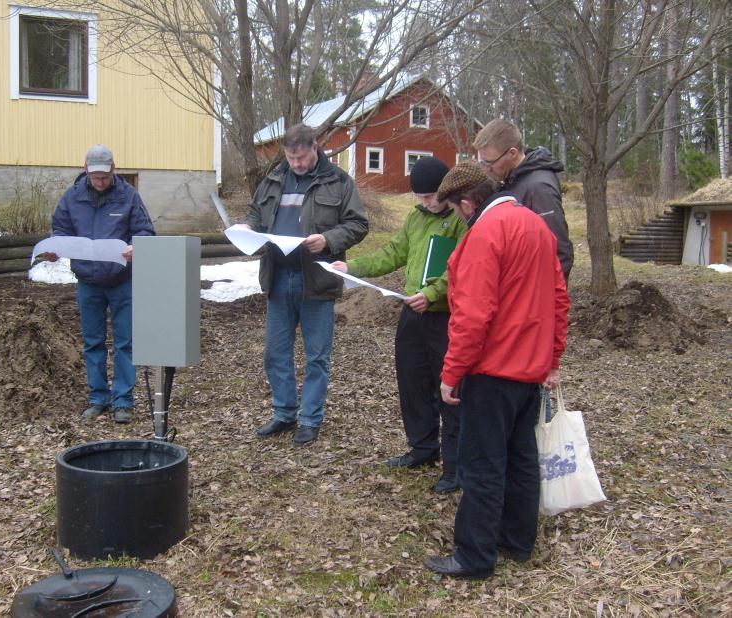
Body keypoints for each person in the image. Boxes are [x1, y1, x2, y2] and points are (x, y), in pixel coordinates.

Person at [424, 161, 570, 579]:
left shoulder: (484, 234)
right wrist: (552, 359)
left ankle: (474, 555)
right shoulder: (535, 226)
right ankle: (517, 541)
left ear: (467, 203)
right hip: (530, 370)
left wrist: (452, 373)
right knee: (521, 458)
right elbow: (559, 299)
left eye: (454, 208)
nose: (456, 216)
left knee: (481, 464)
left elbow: (472, 315)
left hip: (492, 371)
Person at [330, 157, 466, 493]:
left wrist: (433, 292)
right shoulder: (417, 219)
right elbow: (393, 253)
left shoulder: (463, 221)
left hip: (444, 315)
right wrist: (352, 268)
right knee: (412, 381)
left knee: (447, 389)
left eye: (431, 196)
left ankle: (455, 465)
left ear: (446, 190)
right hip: (412, 313)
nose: (425, 203)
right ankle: (422, 448)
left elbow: (462, 267)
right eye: (419, 197)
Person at [242, 124, 368, 446]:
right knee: (275, 353)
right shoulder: (273, 180)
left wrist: (328, 239)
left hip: (316, 278)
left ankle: (310, 419)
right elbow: (256, 213)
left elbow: (358, 223)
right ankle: (284, 412)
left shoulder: (338, 181)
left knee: (316, 356)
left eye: (301, 157)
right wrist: (249, 230)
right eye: (290, 157)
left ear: (316, 147)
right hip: (278, 277)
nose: (296, 163)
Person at [44, 144, 155, 423]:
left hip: (122, 280)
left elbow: (145, 230)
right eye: (95, 176)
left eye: (105, 176)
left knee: (125, 342)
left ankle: (123, 401)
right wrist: (56, 247)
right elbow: (60, 229)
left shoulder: (128, 196)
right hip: (88, 281)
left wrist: (136, 247)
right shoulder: (72, 197)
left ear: (113, 170)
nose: (100, 181)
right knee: (92, 341)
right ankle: (98, 398)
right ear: (86, 170)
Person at [473, 119, 574, 281]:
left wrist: (546, 301)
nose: (487, 168)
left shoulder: (539, 188)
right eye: (483, 162)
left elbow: (559, 252)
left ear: (512, 153)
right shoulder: (511, 180)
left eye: (490, 162)